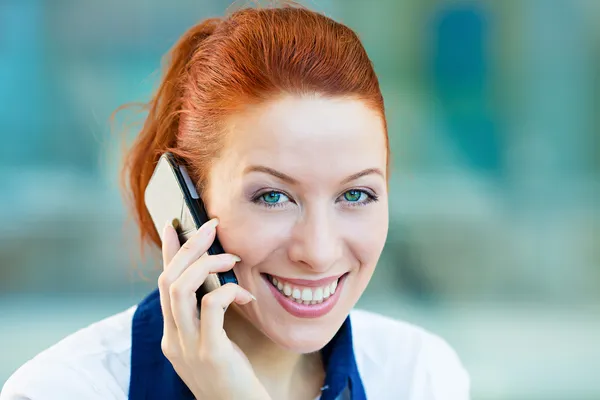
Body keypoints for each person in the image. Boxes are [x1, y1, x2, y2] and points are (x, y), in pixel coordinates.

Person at [1, 4, 470, 400]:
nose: (320, 250)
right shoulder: (64, 388)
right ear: (188, 200)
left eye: (355, 194)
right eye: (273, 197)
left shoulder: (419, 376)